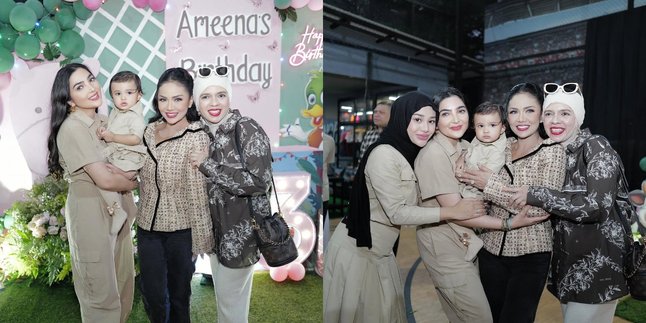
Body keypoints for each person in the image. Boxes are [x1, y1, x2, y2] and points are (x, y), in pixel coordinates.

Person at [323, 91, 486, 323]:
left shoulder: (408, 151)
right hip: (359, 252)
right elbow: (396, 211)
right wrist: (453, 211)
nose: (426, 128)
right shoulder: (384, 154)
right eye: (417, 119)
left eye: (431, 121)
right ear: (402, 118)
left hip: (381, 252)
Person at [414, 87, 549, 323]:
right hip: (448, 246)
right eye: (445, 114)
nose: (455, 119)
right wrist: (507, 223)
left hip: (469, 242)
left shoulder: (467, 146)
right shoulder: (433, 154)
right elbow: (459, 212)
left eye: (460, 110)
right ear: (436, 122)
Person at [504, 82, 630, 323]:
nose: (555, 121)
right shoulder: (557, 153)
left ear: (579, 117)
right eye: (549, 114)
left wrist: (536, 194)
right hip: (568, 268)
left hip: (598, 268)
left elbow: (597, 206)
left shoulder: (596, 146)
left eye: (565, 114)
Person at [457, 83, 566, 323]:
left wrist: (490, 184)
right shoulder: (500, 145)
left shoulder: (553, 152)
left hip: (531, 255)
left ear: (541, 114)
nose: (521, 118)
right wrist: (462, 160)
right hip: (490, 249)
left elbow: (539, 208)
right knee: (490, 318)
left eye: (529, 110)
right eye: (514, 111)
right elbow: (471, 157)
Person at [47, 63, 137, 322]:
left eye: (90, 80)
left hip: (116, 210)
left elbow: (124, 163)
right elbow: (105, 178)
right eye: (79, 86)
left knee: (122, 283)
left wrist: (125, 175)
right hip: (90, 212)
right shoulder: (72, 128)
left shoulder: (103, 121)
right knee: (99, 292)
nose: (91, 88)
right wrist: (133, 181)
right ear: (69, 100)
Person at [188, 66, 273, 323]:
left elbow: (260, 182)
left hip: (242, 236)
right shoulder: (199, 133)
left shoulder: (246, 128)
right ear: (197, 102)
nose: (214, 103)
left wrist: (208, 165)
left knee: (231, 309)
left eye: (221, 95)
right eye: (206, 96)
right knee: (226, 305)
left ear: (230, 98)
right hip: (214, 236)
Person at [137, 67, 215, 323]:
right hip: (147, 228)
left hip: (181, 232)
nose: (169, 106)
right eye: (163, 99)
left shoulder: (196, 137)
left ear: (190, 100)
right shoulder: (149, 131)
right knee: (152, 295)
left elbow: (197, 194)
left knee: (179, 297)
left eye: (177, 99)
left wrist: (200, 241)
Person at [96, 71, 147, 235]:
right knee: (105, 177)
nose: (123, 98)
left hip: (129, 157)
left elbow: (135, 139)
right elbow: (112, 130)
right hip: (118, 154)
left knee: (106, 176)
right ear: (112, 97)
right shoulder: (116, 112)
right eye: (118, 93)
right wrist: (104, 133)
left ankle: (119, 212)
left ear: (138, 96)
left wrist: (113, 137)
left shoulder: (135, 117)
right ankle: (127, 210)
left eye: (129, 93)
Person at [461, 102, 506, 199]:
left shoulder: (497, 152)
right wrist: (462, 157)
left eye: (492, 125)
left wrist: (462, 172)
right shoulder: (478, 139)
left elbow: (482, 179)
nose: (486, 130)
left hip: (477, 194)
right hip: (463, 187)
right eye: (481, 126)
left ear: (502, 128)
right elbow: (469, 151)